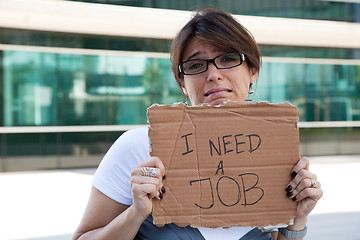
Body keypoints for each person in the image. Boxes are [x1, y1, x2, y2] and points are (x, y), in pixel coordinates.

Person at [72, 7, 323, 240]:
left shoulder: (273, 152)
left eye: (228, 59)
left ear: (252, 72)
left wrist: (297, 220)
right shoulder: (138, 149)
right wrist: (136, 214)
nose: (213, 73)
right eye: (196, 64)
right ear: (182, 83)